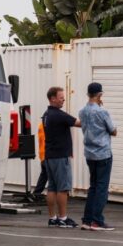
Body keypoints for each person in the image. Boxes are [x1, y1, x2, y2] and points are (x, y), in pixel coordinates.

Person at [80, 82, 117, 231]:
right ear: (99, 95)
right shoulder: (102, 112)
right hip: (103, 153)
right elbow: (113, 131)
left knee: (93, 186)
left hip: (89, 153)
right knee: (102, 188)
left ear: (88, 94)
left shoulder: (82, 112)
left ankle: (87, 220)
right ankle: (97, 221)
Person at [42, 86, 80, 228]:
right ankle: (63, 218)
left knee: (52, 188)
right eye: (61, 97)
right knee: (63, 188)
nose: (63, 100)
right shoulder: (59, 115)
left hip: (49, 155)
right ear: (52, 98)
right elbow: (79, 123)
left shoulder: (46, 115)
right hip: (60, 156)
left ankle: (52, 218)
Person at [31, 119, 47, 201]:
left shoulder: (41, 126)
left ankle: (37, 193)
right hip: (48, 154)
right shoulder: (47, 127)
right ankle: (57, 195)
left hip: (42, 154)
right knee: (52, 176)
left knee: (44, 175)